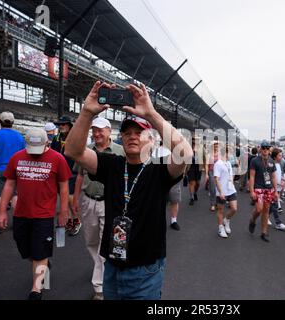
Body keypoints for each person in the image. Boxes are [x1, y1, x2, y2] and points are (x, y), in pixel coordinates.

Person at [64, 81, 192, 300]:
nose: (132, 136)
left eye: (139, 132)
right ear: (121, 139)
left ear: (151, 141)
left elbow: (185, 154)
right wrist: (86, 112)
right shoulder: (112, 164)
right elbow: (73, 151)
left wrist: (151, 114)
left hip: (145, 269)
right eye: (127, 133)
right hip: (112, 266)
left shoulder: (159, 170)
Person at [0, 128, 71, 300]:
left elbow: (64, 187)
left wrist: (63, 212)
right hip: (21, 213)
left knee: (40, 252)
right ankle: (43, 263)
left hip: (44, 215)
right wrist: (1, 212)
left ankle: (36, 289)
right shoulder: (17, 157)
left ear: (47, 142)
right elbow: (9, 185)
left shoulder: (57, 159)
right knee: (25, 249)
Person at [72, 117, 124, 300]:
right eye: (94, 130)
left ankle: (100, 288)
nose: (96, 133)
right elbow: (79, 175)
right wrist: (75, 199)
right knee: (91, 242)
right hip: (88, 201)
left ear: (110, 131)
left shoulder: (120, 151)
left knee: (104, 244)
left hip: (109, 203)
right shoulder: (85, 151)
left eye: (101, 130)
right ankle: (101, 269)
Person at [51, 115, 82, 236]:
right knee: (63, 199)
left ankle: (77, 220)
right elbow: (53, 154)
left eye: (64, 124)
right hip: (59, 173)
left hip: (72, 171)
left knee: (70, 199)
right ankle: (69, 220)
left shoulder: (75, 138)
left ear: (69, 125)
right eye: (60, 124)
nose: (61, 126)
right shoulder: (56, 138)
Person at [248, 140, 278, 242]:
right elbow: (251, 177)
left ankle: (264, 232)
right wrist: (251, 191)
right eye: (263, 148)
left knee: (266, 210)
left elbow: (273, 177)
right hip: (258, 187)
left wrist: (276, 191)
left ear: (269, 150)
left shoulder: (271, 161)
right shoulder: (255, 161)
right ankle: (252, 220)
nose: (265, 150)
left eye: (267, 148)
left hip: (268, 188)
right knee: (259, 209)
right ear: (260, 149)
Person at [153, 140, 182, 231]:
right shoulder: (156, 151)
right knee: (160, 201)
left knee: (174, 199)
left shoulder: (174, 151)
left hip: (173, 178)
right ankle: (158, 221)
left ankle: (174, 221)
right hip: (160, 179)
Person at [214, 145, 238, 238]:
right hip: (222, 190)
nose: (232, 154)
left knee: (234, 208)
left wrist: (231, 182)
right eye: (231, 152)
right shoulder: (218, 164)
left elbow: (231, 174)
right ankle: (220, 228)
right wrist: (220, 192)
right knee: (220, 210)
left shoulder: (228, 163)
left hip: (231, 189)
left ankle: (226, 220)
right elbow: (217, 179)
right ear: (226, 153)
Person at [270, 148, 285, 230]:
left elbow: (279, 175)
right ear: (275, 156)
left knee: (271, 206)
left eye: (281, 155)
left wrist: (284, 179)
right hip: (272, 188)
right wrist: (278, 183)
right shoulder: (271, 164)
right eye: (280, 155)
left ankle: (264, 217)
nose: (281, 157)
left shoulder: (278, 164)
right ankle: (278, 223)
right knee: (274, 205)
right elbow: (270, 177)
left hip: (277, 188)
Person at [205, 141, 220, 212]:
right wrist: (206, 174)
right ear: (212, 146)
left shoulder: (220, 154)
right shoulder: (209, 154)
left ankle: (217, 202)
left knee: (219, 188)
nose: (216, 146)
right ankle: (212, 204)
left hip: (219, 173)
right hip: (212, 172)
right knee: (213, 188)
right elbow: (207, 165)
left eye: (217, 145)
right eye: (215, 145)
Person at [186, 138, 202, 206]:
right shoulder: (188, 148)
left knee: (198, 183)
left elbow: (205, 157)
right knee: (192, 183)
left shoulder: (201, 148)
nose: (195, 141)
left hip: (198, 168)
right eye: (194, 140)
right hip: (190, 167)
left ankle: (195, 192)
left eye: (197, 140)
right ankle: (192, 198)